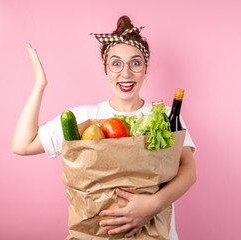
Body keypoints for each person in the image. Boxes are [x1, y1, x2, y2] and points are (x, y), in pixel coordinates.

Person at [12, 15, 196, 239]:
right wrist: (39, 85)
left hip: (156, 231)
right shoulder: (84, 117)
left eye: (135, 63)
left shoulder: (165, 116)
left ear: (145, 69)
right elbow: (23, 145)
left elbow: (189, 170)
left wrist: (152, 205)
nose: (126, 73)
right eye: (116, 63)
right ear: (106, 69)